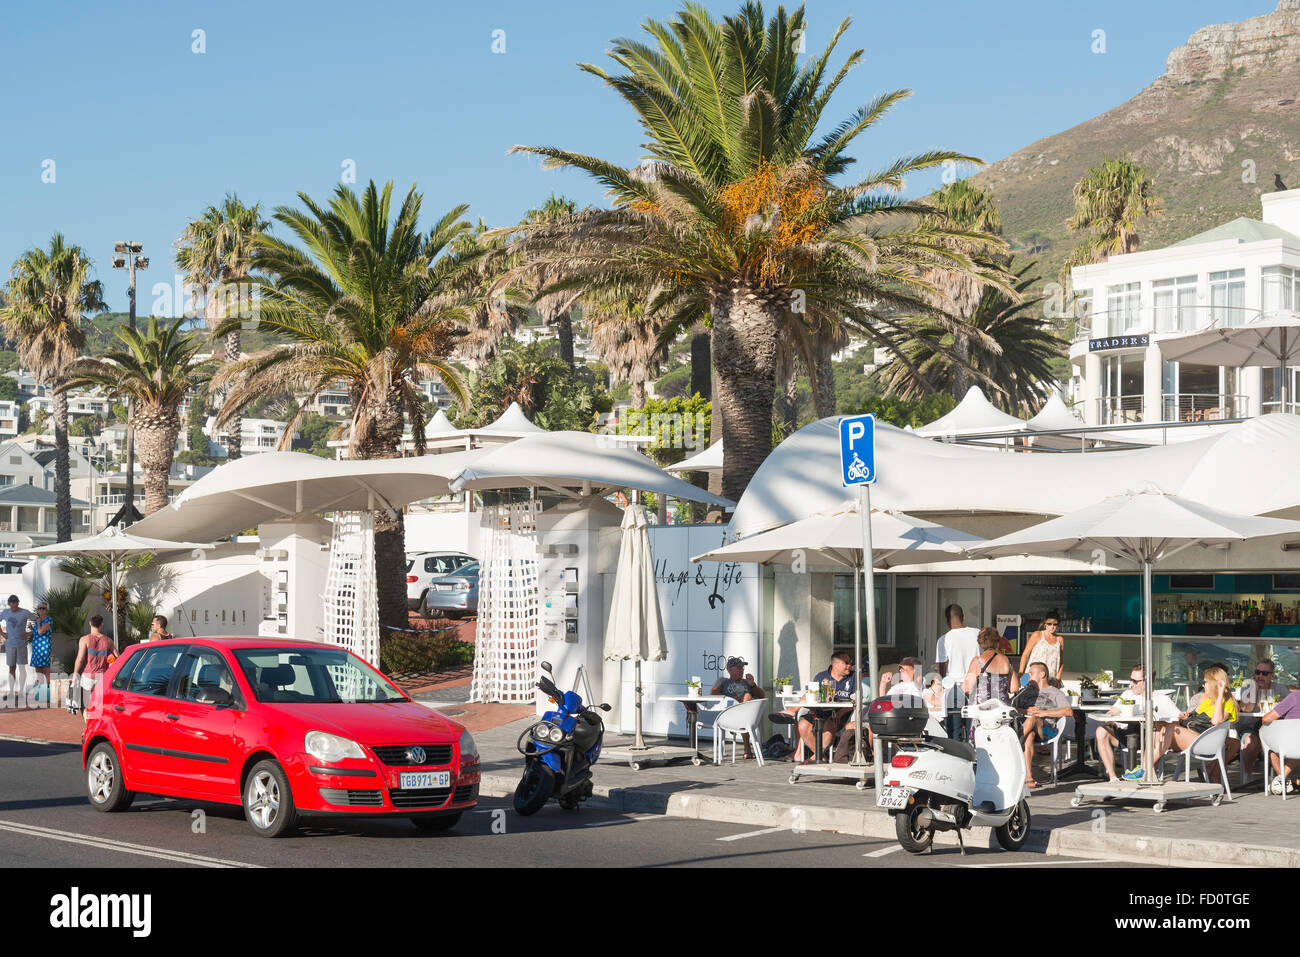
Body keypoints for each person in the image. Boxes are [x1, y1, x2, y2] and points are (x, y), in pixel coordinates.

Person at [1152, 664, 1238, 783]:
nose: (1203, 685)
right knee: (1159, 725)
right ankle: (1149, 770)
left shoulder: (1227, 703)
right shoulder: (1207, 700)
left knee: (1170, 728)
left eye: (1205, 682)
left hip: (1203, 743)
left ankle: (1146, 769)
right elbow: (1194, 718)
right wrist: (1184, 716)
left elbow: (1216, 721)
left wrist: (1221, 694)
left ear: (1214, 684)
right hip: (1194, 737)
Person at [1017, 662, 1073, 788]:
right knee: (1029, 735)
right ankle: (1029, 777)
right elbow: (1014, 708)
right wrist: (1025, 711)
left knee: (1033, 717)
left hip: (1047, 730)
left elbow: (1068, 711)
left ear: (1042, 674)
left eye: (1031, 673)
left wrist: (1042, 713)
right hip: (1029, 727)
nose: (1028, 676)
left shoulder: (1055, 692)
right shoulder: (1025, 691)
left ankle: (1013, 742)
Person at [795, 652, 855, 763]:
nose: (849, 665)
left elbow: (856, 701)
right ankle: (820, 757)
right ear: (835, 665)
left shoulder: (853, 677)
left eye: (850, 662)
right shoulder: (821, 676)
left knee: (829, 725)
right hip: (819, 711)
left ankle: (815, 758)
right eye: (846, 663)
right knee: (803, 725)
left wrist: (840, 713)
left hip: (840, 714)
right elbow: (812, 694)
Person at [963, 627, 1018, 743]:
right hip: (1001, 710)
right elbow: (1014, 688)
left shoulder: (977, 661)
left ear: (981, 643)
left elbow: (967, 688)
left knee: (981, 743)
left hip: (983, 712)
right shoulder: (1006, 660)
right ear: (997, 642)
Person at [1094, 666, 1149, 782]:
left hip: (1146, 738)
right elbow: (1114, 710)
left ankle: (1141, 773)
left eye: (1135, 681)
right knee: (1101, 731)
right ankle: (1113, 777)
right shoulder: (1127, 694)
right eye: (1130, 680)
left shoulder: (1155, 698)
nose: (1131, 684)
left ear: (1146, 681)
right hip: (1124, 735)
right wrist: (1110, 718)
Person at [1239, 689, 1300, 790]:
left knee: (1264, 736)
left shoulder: (1295, 696)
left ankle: (1281, 778)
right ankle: (1283, 779)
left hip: (1288, 743)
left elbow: (1266, 718)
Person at [936, 604, 980, 738]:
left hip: (954, 687)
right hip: (975, 685)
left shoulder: (944, 640)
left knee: (954, 730)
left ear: (946, 619)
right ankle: (973, 756)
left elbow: (942, 667)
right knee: (973, 728)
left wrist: (943, 685)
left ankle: (956, 757)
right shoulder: (978, 633)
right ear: (964, 616)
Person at [711, 656, 764, 758]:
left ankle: (747, 749)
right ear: (730, 670)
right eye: (739, 668)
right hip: (730, 714)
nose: (742, 670)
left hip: (747, 714)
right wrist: (733, 699)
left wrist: (752, 684)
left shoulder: (746, 682)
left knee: (748, 697)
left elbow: (762, 697)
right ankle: (747, 749)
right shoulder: (723, 681)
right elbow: (713, 693)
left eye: (742, 668)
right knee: (747, 699)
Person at [72, 615, 113, 722]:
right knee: (99, 704)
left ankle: (87, 726)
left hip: (88, 676)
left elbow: (80, 659)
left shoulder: (84, 639)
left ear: (90, 623)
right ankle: (96, 725)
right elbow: (117, 658)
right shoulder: (108, 641)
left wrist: (75, 674)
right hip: (102, 677)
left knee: (85, 705)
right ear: (101, 625)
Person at [2, 594, 36, 705]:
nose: (14, 605)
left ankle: (21, 692)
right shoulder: (5, 613)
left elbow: (37, 620)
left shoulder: (24, 612)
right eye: (12, 603)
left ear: (18, 603)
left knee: (21, 668)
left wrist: (30, 633)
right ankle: (11, 692)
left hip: (21, 644)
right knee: (11, 668)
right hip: (10, 644)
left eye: (15, 603)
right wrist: (2, 633)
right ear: (9, 604)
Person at [1019, 611, 1064, 682]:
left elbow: (1061, 662)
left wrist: (1058, 678)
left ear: (1058, 625)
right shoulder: (1037, 635)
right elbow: (1025, 655)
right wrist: (1021, 673)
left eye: (1055, 624)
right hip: (1033, 676)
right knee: (1028, 692)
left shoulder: (1059, 639)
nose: (1052, 627)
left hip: (1050, 678)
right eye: (1049, 624)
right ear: (1045, 623)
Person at [30, 601, 53, 700]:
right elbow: (35, 633)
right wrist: (31, 628)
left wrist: (38, 623)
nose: (41, 610)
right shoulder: (38, 621)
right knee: (38, 671)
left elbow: (40, 631)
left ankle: (46, 695)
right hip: (36, 650)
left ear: (47, 610)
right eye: (40, 608)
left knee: (45, 671)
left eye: (44, 608)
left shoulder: (48, 620)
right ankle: (39, 695)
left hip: (44, 649)